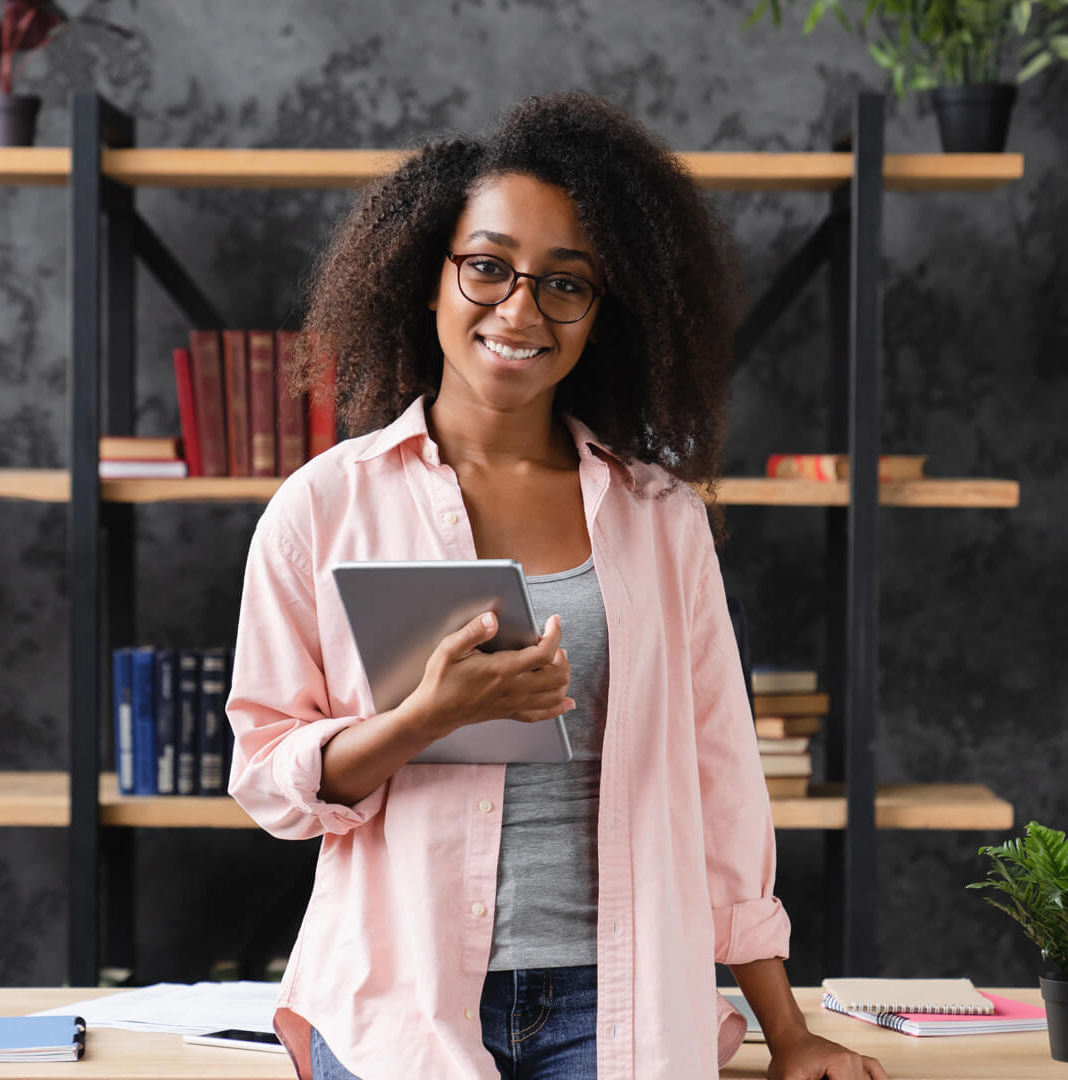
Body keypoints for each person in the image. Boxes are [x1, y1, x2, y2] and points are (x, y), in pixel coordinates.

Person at [226, 90, 889, 1080]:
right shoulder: (323, 507)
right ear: (428, 277)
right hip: (398, 1000)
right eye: (487, 267)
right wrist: (423, 718)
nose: (521, 310)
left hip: (615, 999)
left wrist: (787, 1030)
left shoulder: (661, 519)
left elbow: (721, 783)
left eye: (565, 284)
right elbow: (269, 775)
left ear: (601, 314)